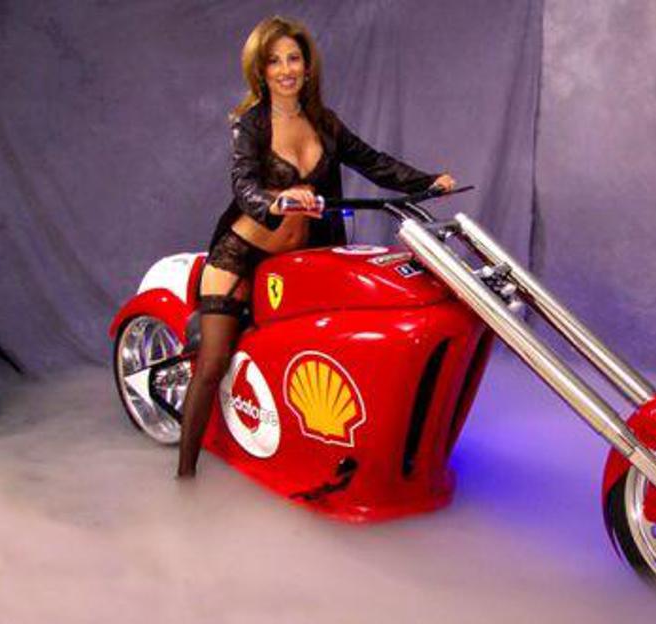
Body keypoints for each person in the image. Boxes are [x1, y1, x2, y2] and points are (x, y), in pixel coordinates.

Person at [177, 16, 455, 477]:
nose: (285, 69)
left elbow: (374, 162)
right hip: (242, 252)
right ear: (261, 71)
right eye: (274, 61)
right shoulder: (251, 124)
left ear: (307, 67)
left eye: (293, 59)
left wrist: (428, 182)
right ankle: (185, 476)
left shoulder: (325, 124)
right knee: (213, 363)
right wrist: (276, 198)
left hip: (298, 259)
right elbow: (243, 185)